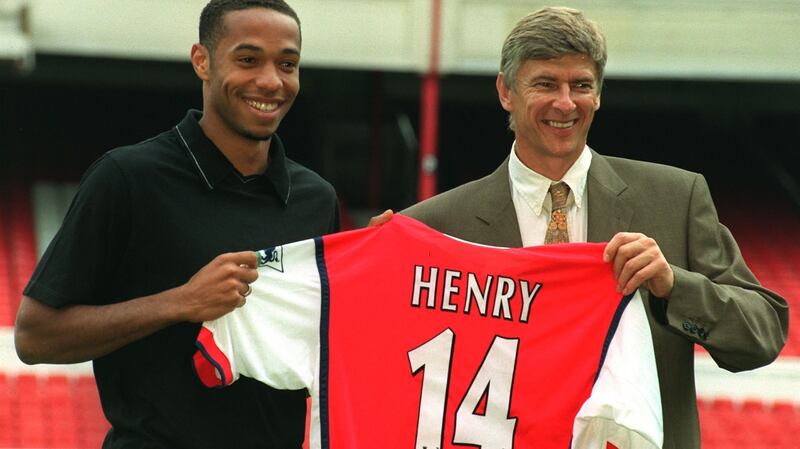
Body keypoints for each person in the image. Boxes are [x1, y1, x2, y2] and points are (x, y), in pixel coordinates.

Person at [386, 6, 788, 449]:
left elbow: (763, 334)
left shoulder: (675, 198)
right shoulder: (435, 227)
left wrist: (674, 286)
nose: (565, 103)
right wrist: (382, 261)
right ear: (505, 91)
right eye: (545, 84)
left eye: (581, 85)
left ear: (598, 94)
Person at [14, 0, 339, 448]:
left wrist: (384, 257)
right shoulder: (128, 178)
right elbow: (34, 336)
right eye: (248, 60)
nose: (271, 80)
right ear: (201, 62)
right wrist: (182, 302)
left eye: (288, 64)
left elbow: (325, 351)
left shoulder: (316, 200)